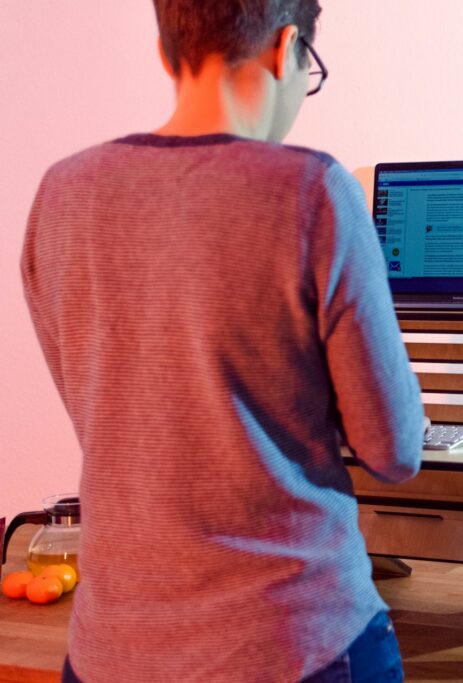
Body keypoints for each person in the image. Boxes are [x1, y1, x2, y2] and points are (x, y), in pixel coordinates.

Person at [20, 1, 425, 681]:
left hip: (110, 652)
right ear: (287, 48)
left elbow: (108, 416)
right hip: (293, 644)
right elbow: (394, 450)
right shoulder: (312, 192)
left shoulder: (62, 194)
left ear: (166, 52)